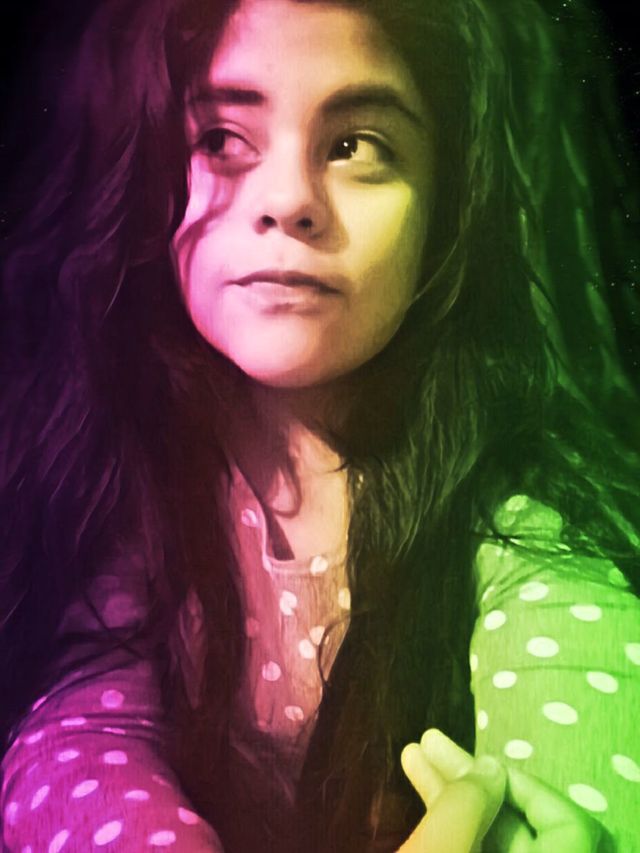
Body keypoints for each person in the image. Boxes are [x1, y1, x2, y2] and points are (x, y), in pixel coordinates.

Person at [1, 0, 638, 850]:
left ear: (446, 208)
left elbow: (584, 717)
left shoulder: (521, 513)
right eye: (221, 138)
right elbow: (78, 739)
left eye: (356, 145)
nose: (289, 200)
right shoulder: (122, 488)